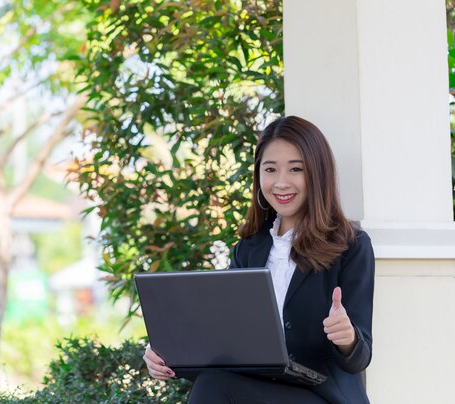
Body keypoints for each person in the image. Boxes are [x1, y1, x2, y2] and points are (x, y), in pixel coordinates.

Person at [142, 116, 375, 403]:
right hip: (260, 389)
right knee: (212, 383)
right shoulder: (249, 249)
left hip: (323, 396)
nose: (280, 182)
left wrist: (347, 338)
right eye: (270, 169)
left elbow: (359, 359)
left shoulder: (351, 245)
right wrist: (169, 357)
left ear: (318, 173)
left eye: (295, 169)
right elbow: (225, 347)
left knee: (213, 388)